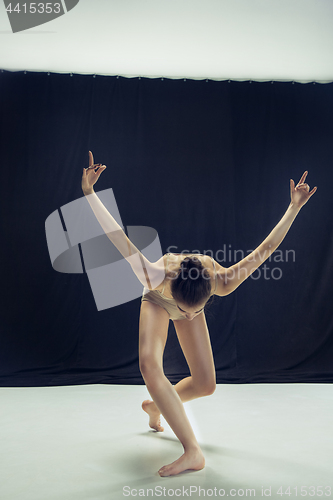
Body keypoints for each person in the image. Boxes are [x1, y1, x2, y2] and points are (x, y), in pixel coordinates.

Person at [81, 151, 317, 477]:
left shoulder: (222, 280)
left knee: (206, 384)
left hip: (187, 295)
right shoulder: (154, 276)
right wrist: (90, 194)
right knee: (150, 366)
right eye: (186, 311)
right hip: (157, 300)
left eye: (199, 310)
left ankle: (156, 406)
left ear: (210, 294)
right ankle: (192, 450)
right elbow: (118, 238)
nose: (190, 317)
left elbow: (266, 250)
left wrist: (293, 207)